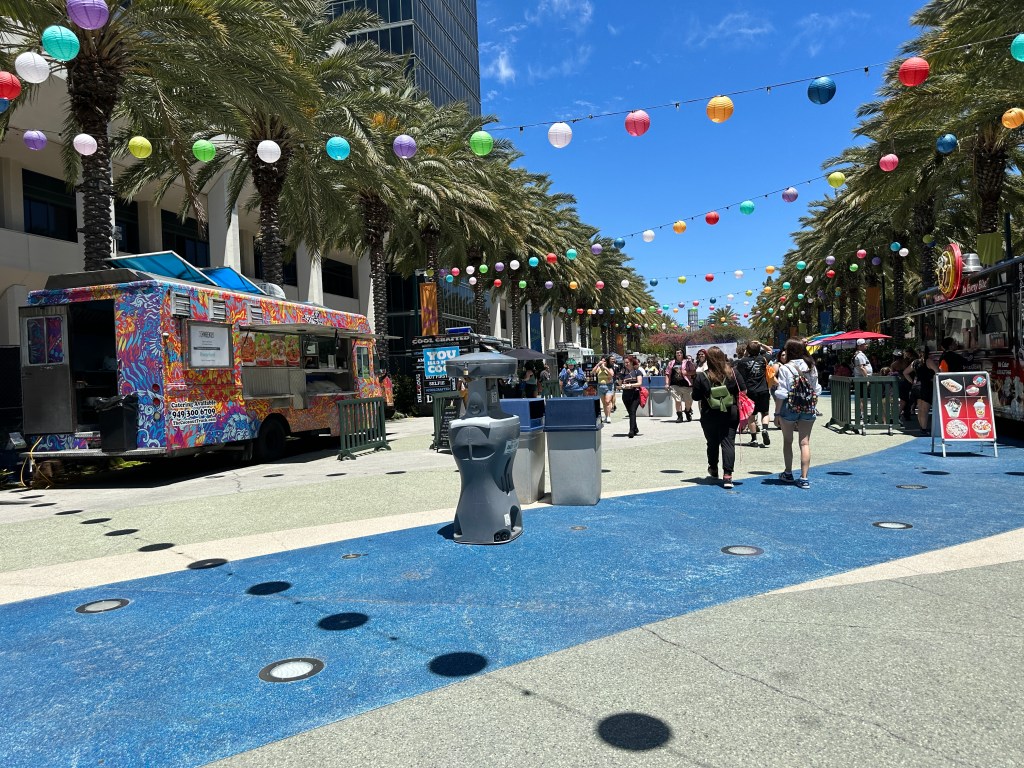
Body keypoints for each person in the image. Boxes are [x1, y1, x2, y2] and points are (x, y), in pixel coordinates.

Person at [692, 346, 746, 489]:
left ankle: (713, 468)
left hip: (710, 413)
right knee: (728, 442)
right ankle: (728, 476)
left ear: (708, 360)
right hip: (731, 411)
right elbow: (744, 390)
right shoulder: (733, 373)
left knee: (712, 442)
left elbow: (695, 396)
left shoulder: (702, 376)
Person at [773, 338, 822, 490]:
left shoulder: (785, 368)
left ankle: (788, 473)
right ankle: (804, 478)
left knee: (788, 441)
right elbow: (816, 389)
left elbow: (781, 392)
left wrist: (776, 414)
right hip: (808, 407)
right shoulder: (811, 366)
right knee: (805, 442)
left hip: (790, 406)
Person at [736, 341, 772, 448]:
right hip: (763, 390)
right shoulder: (764, 359)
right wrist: (761, 344)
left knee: (751, 416)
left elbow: (740, 376)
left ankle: (754, 439)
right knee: (765, 413)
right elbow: (770, 350)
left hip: (750, 391)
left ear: (747, 350)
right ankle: (765, 429)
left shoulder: (742, 362)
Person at [664, 349, 695, 422]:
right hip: (675, 385)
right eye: (677, 353)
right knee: (678, 401)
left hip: (687, 385)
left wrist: (686, 373)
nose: (679, 354)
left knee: (689, 401)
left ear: (683, 354)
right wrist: (667, 384)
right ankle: (679, 416)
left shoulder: (688, 362)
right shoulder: (671, 363)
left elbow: (694, 371)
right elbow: (667, 374)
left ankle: (687, 411)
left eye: (680, 353)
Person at [620, 355, 647, 437]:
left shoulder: (637, 372)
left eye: (627, 362)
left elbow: (639, 383)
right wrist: (620, 383)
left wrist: (630, 385)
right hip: (625, 395)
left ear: (632, 362)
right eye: (625, 363)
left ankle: (631, 431)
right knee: (630, 412)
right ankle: (635, 428)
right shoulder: (623, 372)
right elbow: (620, 383)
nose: (626, 364)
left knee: (632, 411)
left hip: (635, 395)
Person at [593, 355, 616, 423]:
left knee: (607, 401)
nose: (603, 362)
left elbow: (611, 375)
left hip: (608, 386)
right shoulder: (599, 368)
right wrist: (598, 364)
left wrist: (605, 368)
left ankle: (608, 416)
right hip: (600, 386)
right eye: (602, 361)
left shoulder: (610, 368)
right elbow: (593, 372)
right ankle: (606, 416)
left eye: (604, 361)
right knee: (604, 403)